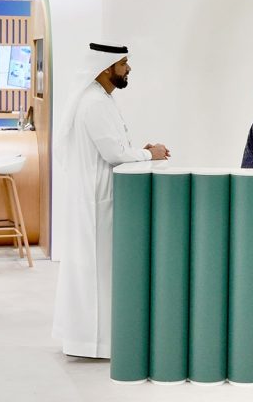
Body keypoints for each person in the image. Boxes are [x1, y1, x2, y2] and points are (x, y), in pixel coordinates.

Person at [52, 42, 170, 358]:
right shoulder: (93, 103)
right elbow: (113, 153)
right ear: (106, 68)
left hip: (96, 197)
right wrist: (150, 154)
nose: (128, 69)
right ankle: (94, 343)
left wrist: (140, 151)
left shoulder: (100, 99)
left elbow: (115, 146)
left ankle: (95, 339)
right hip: (95, 201)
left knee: (97, 270)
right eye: (123, 63)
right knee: (95, 271)